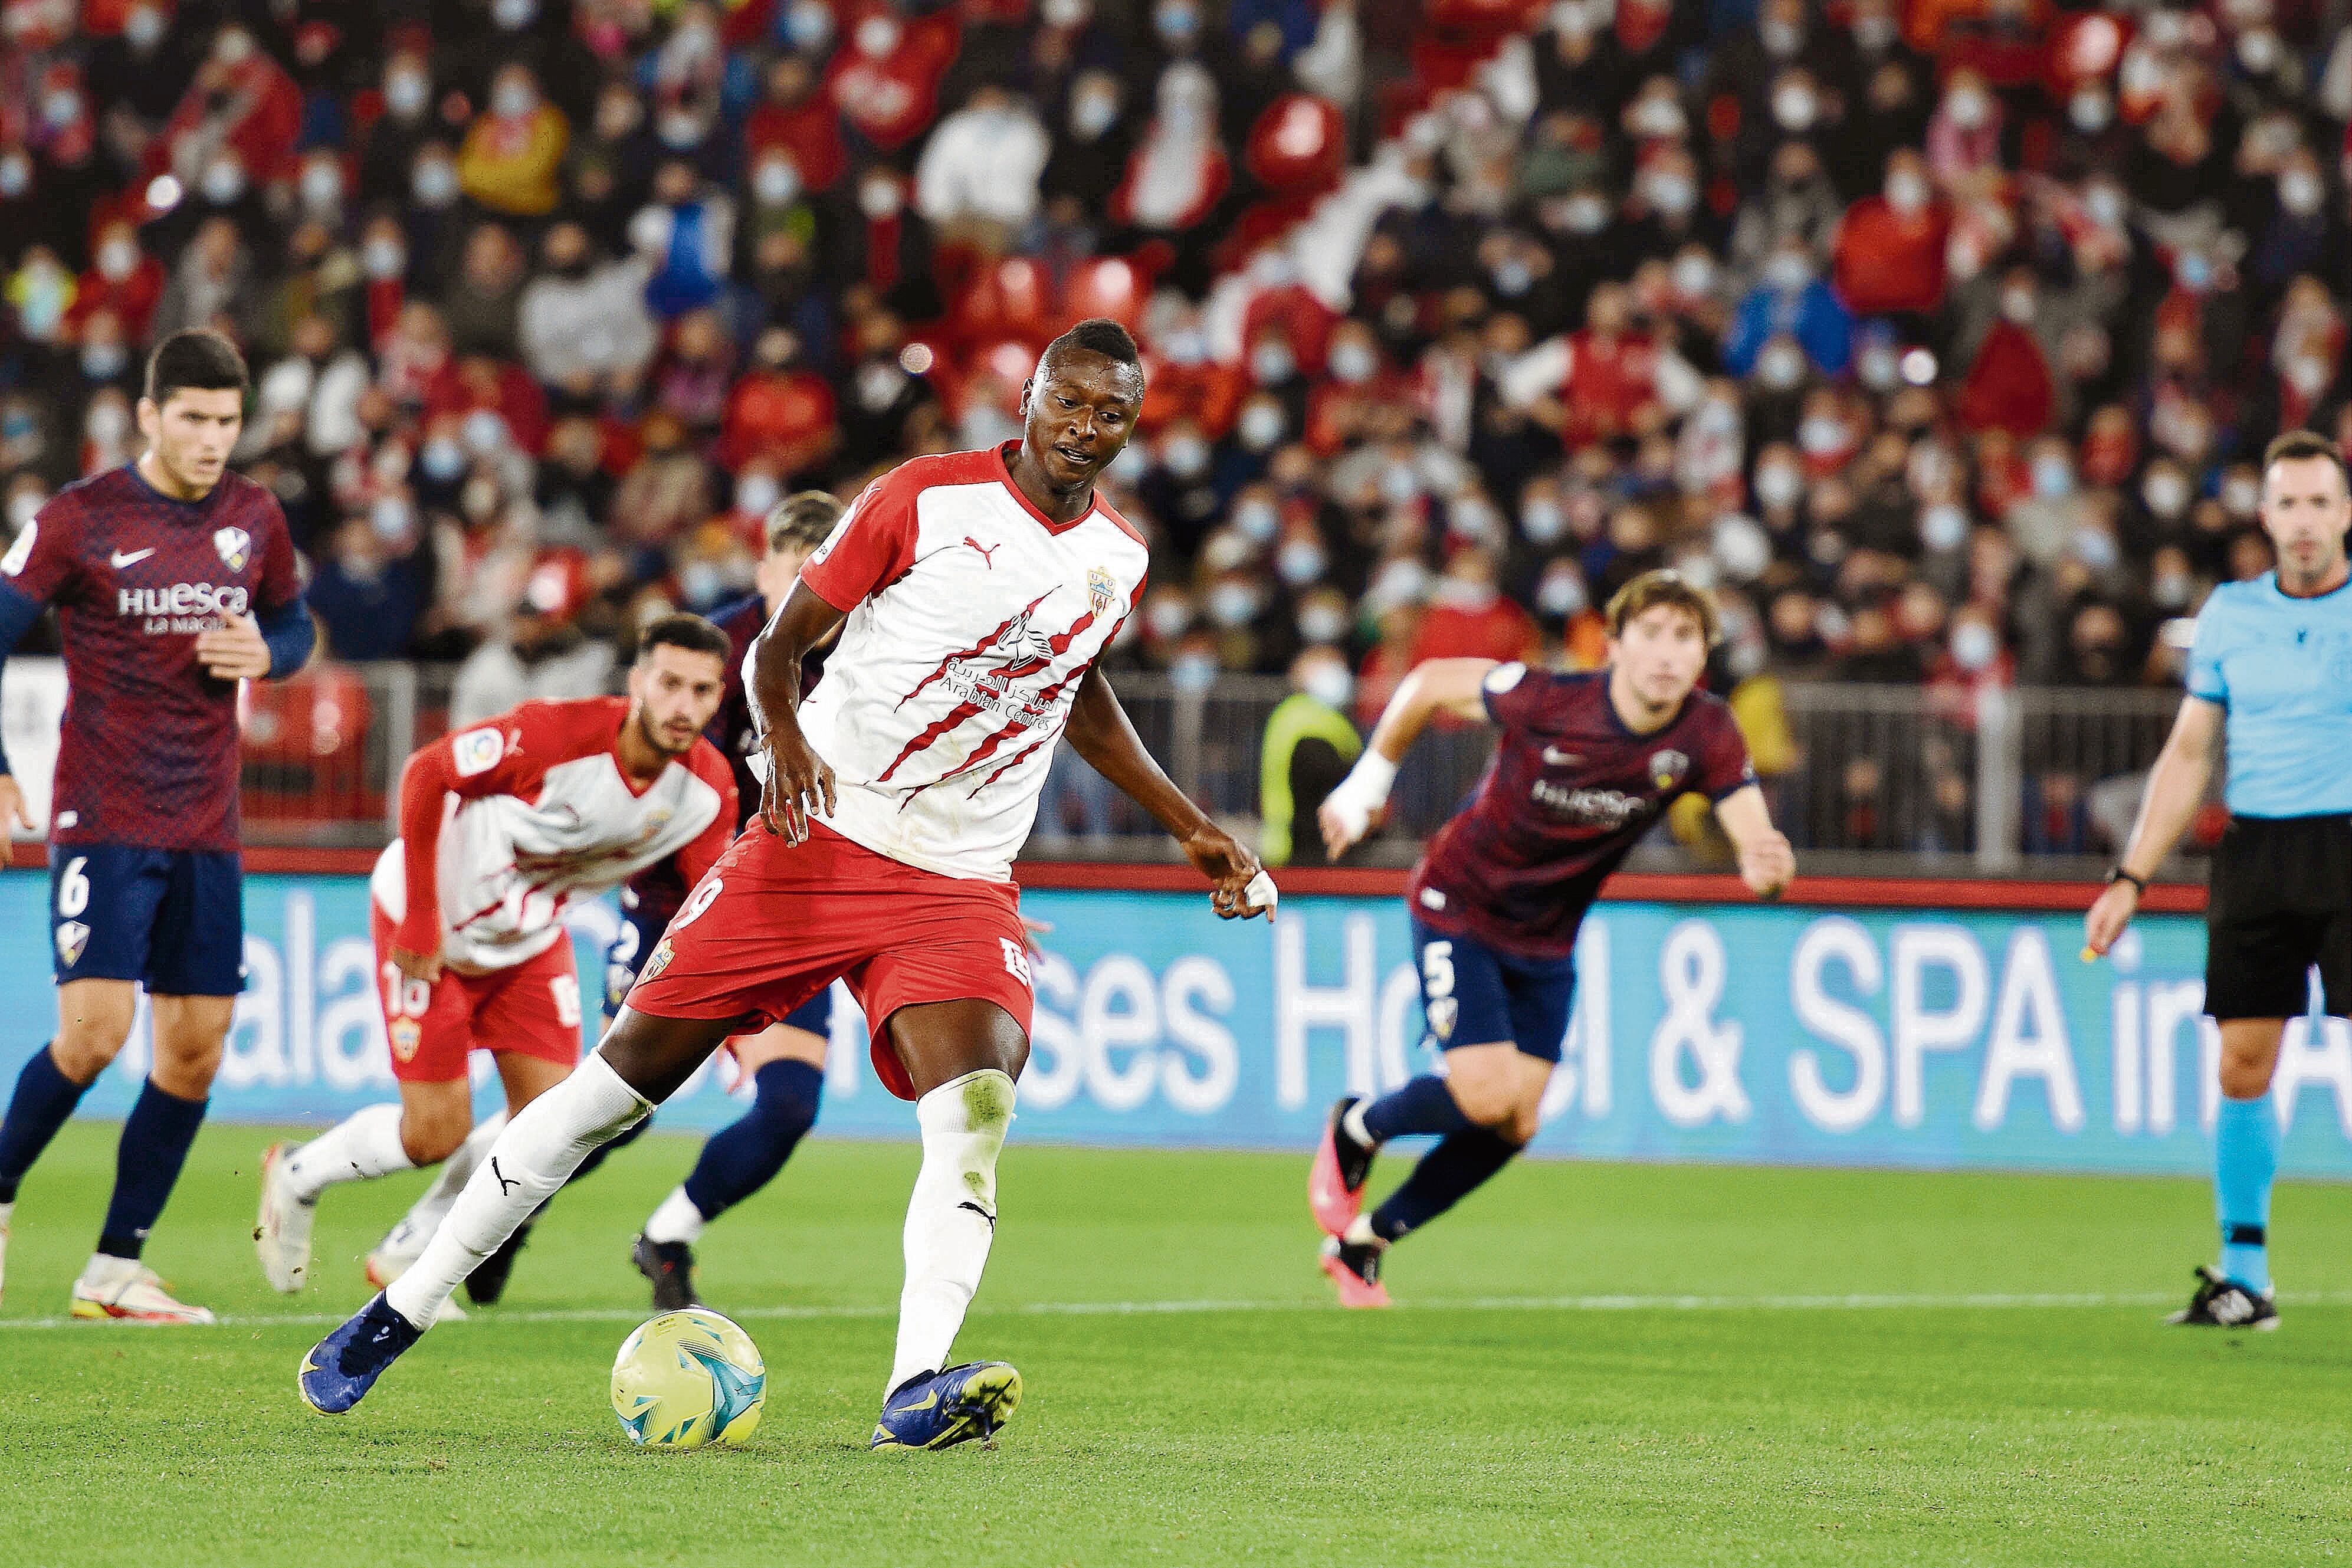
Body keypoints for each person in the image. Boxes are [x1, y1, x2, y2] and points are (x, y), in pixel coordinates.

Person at [296, 319, 1274, 1453]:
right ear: (1028, 401)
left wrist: (1193, 829)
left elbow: (1077, 686)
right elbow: (777, 642)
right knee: (605, 1096)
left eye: (1111, 414)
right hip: (816, 842)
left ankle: (914, 1388)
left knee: (977, 1107)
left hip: (959, 880)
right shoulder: (923, 496)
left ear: (1133, 425)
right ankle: (399, 1307)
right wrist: (786, 742)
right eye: (1070, 404)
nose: (1086, 430)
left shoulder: (1120, 558)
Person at [1308, 570, 1796, 1306]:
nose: (1668, 653)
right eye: (1653, 634)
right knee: (1484, 1093)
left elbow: (1753, 831)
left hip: (1548, 939)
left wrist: (1767, 860)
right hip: (1459, 903)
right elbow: (1435, 680)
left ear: (1704, 655)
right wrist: (1368, 784)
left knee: (1517, 1121)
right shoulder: (1554, 699)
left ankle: (1366, 1242)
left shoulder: (1707, 731)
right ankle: (1357, 1126)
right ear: (1616, 644)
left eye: (1686, 638)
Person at [251, 618, 739, 1304]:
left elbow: (704, 905)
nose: (683, 706)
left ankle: (414, 1248)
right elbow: (429, 770)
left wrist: (734, 1019)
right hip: (432, 922)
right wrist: (421, 916)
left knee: (547, 1128)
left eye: (702, 690)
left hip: (529, 942)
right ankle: (299, 1175)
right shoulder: (553, 736)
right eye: (669, 684)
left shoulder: (705, 792)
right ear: (637, 684)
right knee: (432, 1134)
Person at [0, 329, 314, 1322]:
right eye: (194, 419)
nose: (214, 438)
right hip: (104, 814)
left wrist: (268, 648)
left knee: (195, 1051)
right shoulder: (81, 518)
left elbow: (296, 628)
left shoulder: (254, 517)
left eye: (227, 420)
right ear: (149, 415)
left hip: (207, 824)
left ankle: (114, 1268)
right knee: (94, 1034)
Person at [2083, 429, 2352, 1332]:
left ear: (2344, 513)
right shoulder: (2232, 614)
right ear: (2265, 515)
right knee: (2242, 1063)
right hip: (2259, 853)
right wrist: (2129, 875)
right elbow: (2189, 750)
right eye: (2287, 503)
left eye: (2319, 501)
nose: (2303, 520)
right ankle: (2243, 1276)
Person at [622, 492, 844, 1311]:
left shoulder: (873, 652)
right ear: (765, 571)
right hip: (681, 902)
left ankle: (667, 1234)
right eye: (797, 576)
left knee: (787, 1106)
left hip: (801, 906)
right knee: (617, 1107)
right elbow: (668, 778)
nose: (812, 598)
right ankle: (487, 1222)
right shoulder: (718, 654)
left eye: (829, 578)